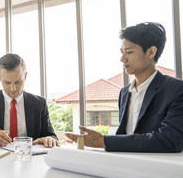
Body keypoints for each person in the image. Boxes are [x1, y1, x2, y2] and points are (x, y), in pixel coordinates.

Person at [66, 22, 183, 152]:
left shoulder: (176, 90)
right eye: (122, 52)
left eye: (129, 52)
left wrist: (103, 141)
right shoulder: (124, 92)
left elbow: (170, 140)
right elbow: (124, 137)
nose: (122, 59)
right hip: (125, 167)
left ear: (151, 52)